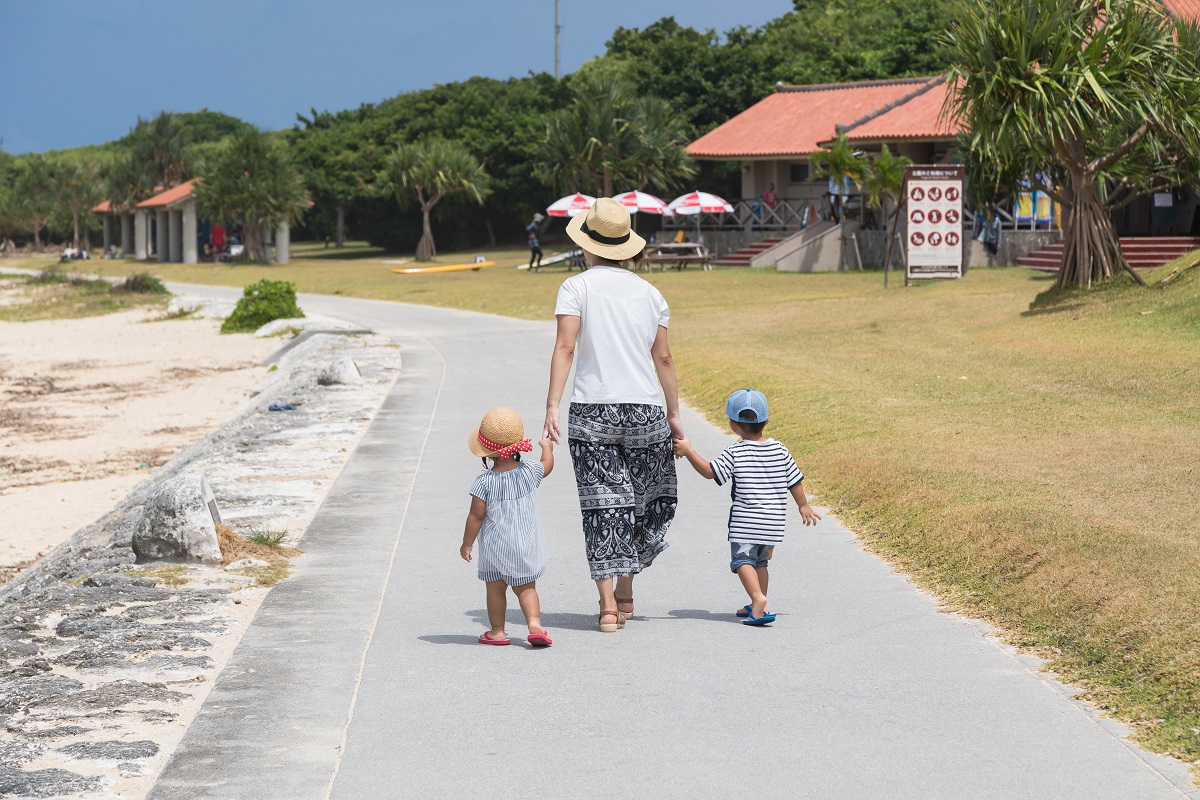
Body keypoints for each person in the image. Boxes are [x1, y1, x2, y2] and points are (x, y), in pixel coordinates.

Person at [543, 197, 682, 633]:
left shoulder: (576, 287)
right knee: (643, 502)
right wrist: (674, 414)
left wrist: (551, 404)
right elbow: (664, 360)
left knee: (604, 507)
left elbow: (566, 347)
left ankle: (607, 609)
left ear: (588, 244)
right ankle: (626, 592)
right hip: (645, 410)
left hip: (592, 410)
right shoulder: (652, 293)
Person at [672, 389, 821, 626]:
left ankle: (757, 599)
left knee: (742, 561)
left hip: (746, 523)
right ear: (767, 421)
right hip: (773, 524)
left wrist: (689, 451)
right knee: (761, 562)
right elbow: (794, 480)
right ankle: (758, 604)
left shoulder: (736, 452)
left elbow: (710, 472)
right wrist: (803, 505)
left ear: (733, 425)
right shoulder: (780, 449)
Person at [460, 407, 555, 647]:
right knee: (526, 590)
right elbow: (547, 465)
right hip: (525, 545)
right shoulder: (530, 472)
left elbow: (475, 516)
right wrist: (547, 448)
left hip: (495, 549)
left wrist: (467, 543)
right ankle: (535, 625)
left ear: (488, 454)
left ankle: (497, 632)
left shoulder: (484, 482)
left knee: (495, 589)